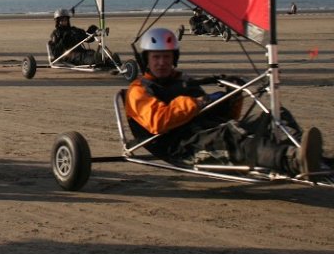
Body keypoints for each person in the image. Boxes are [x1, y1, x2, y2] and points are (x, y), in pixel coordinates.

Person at [125, 27, 323, 179]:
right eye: (156, 57)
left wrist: (231, 98)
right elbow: (158, 121)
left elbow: (220, 117)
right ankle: (293, 161)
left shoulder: (183, 82)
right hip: (181, 147)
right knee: (233, 136)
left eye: (166, 57)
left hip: (208, 133)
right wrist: (198, 102)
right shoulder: (139, 90)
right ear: (146, 60)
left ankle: (309, 156)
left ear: (174, 58)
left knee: (275, 116)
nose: (161, 62)